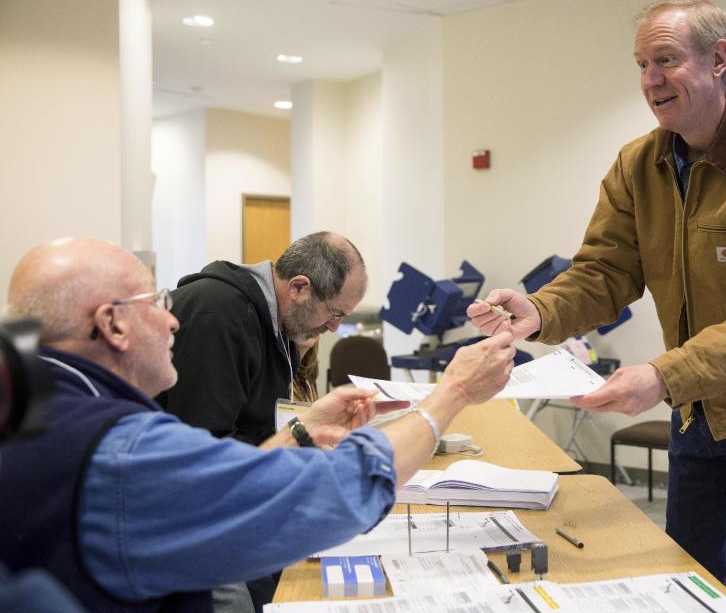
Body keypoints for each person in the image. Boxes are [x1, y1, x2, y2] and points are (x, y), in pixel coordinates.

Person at [468, 0, 726, 613]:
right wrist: (541, 310)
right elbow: (605, 270)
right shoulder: (638, 164)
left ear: (718, 59)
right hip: (696, 407)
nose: (650, 80)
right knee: (686, 569)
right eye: (642, 63)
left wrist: (664, 376)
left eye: (665, 60)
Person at [0, 238, 515, 613]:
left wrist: (300, 430)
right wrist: (455, 393)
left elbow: (206, 493)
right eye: (157, 303)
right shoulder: (122, 449)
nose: (174, 318)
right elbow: (335, 493)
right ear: (112, 324)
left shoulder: (35, 411)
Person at [157, 231, 366, 446]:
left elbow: (261, 429)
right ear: (298, 288)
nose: (334, 327)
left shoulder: (281, 328)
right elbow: (205, 448)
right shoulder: (219, 316)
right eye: (334, 314)